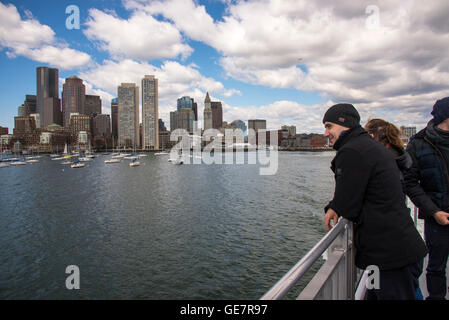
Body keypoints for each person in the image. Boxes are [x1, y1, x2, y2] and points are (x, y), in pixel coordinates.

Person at [323, 103, 427, 300]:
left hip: (391, 257)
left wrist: (335, 207)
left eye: (329, 126)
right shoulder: (370, 147)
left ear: (345, 124)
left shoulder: (352, 151)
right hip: (395, 250)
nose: (326, 132)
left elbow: (349, 205)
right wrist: (336, 204)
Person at [364, 118, 424, 300]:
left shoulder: (384, 163)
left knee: (399, 290)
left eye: (365, 137)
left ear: (374, 138)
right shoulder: (398, 159)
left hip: (393, 249)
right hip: (402, 244)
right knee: (409, 289)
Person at [404, 97, 449, 300]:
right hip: (438, 215)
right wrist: (433, 211)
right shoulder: (418, 143)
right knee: (436, 266)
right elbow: (410, 182)